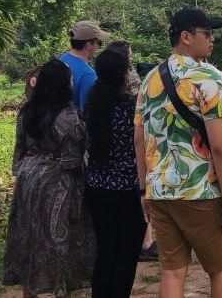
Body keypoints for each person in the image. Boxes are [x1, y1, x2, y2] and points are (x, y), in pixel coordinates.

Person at [134, 8, 222, 298]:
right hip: (200, 192)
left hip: (160, 193)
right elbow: (219, 145)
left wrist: (144, 189)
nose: (212, 40)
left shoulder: (150, 78)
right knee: (219, 270)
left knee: (172, 272)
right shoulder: (205, 76)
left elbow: (139, 138)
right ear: (185, 37)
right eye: (207, 33)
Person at [2, 58, 93, 296]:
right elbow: (73, 158)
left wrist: (25, 171)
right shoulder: (68, 117)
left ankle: (28, 290)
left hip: (28, 180)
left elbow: (19, 149)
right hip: (58, 183)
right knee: (59, 241)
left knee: (29, 235)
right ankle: (60, 290)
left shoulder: (26, 112)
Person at [82, 49, 148, 297]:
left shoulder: (92, 105)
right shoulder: (132, 108)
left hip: (97, 186)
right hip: (128, 189)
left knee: (105, 251)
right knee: (126, 255)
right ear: (124, 74)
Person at [107, 40, 158, 261]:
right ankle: (146, 242)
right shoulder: (134, 81)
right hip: (131, 149)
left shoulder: (98, 90)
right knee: (141, 194)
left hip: (106, 160)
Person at [59, 20, 110, 110]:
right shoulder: (88, 75)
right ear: (88, 45)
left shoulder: (60, 60)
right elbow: (86, 114)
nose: (99, 47)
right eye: (99, 43)